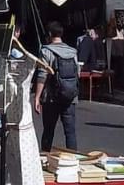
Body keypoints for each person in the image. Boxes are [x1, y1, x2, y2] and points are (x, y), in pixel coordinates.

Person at [33, 22, 79, 152]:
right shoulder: (72, 51)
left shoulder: (46, 51)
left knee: (48, 131)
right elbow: (77, 73)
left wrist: (37, 97)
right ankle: (73, 161)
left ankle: (44, 161)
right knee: (70, 133)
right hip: (70, 97)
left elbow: (42, 76)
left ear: (49, 35)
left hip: (51, 98)